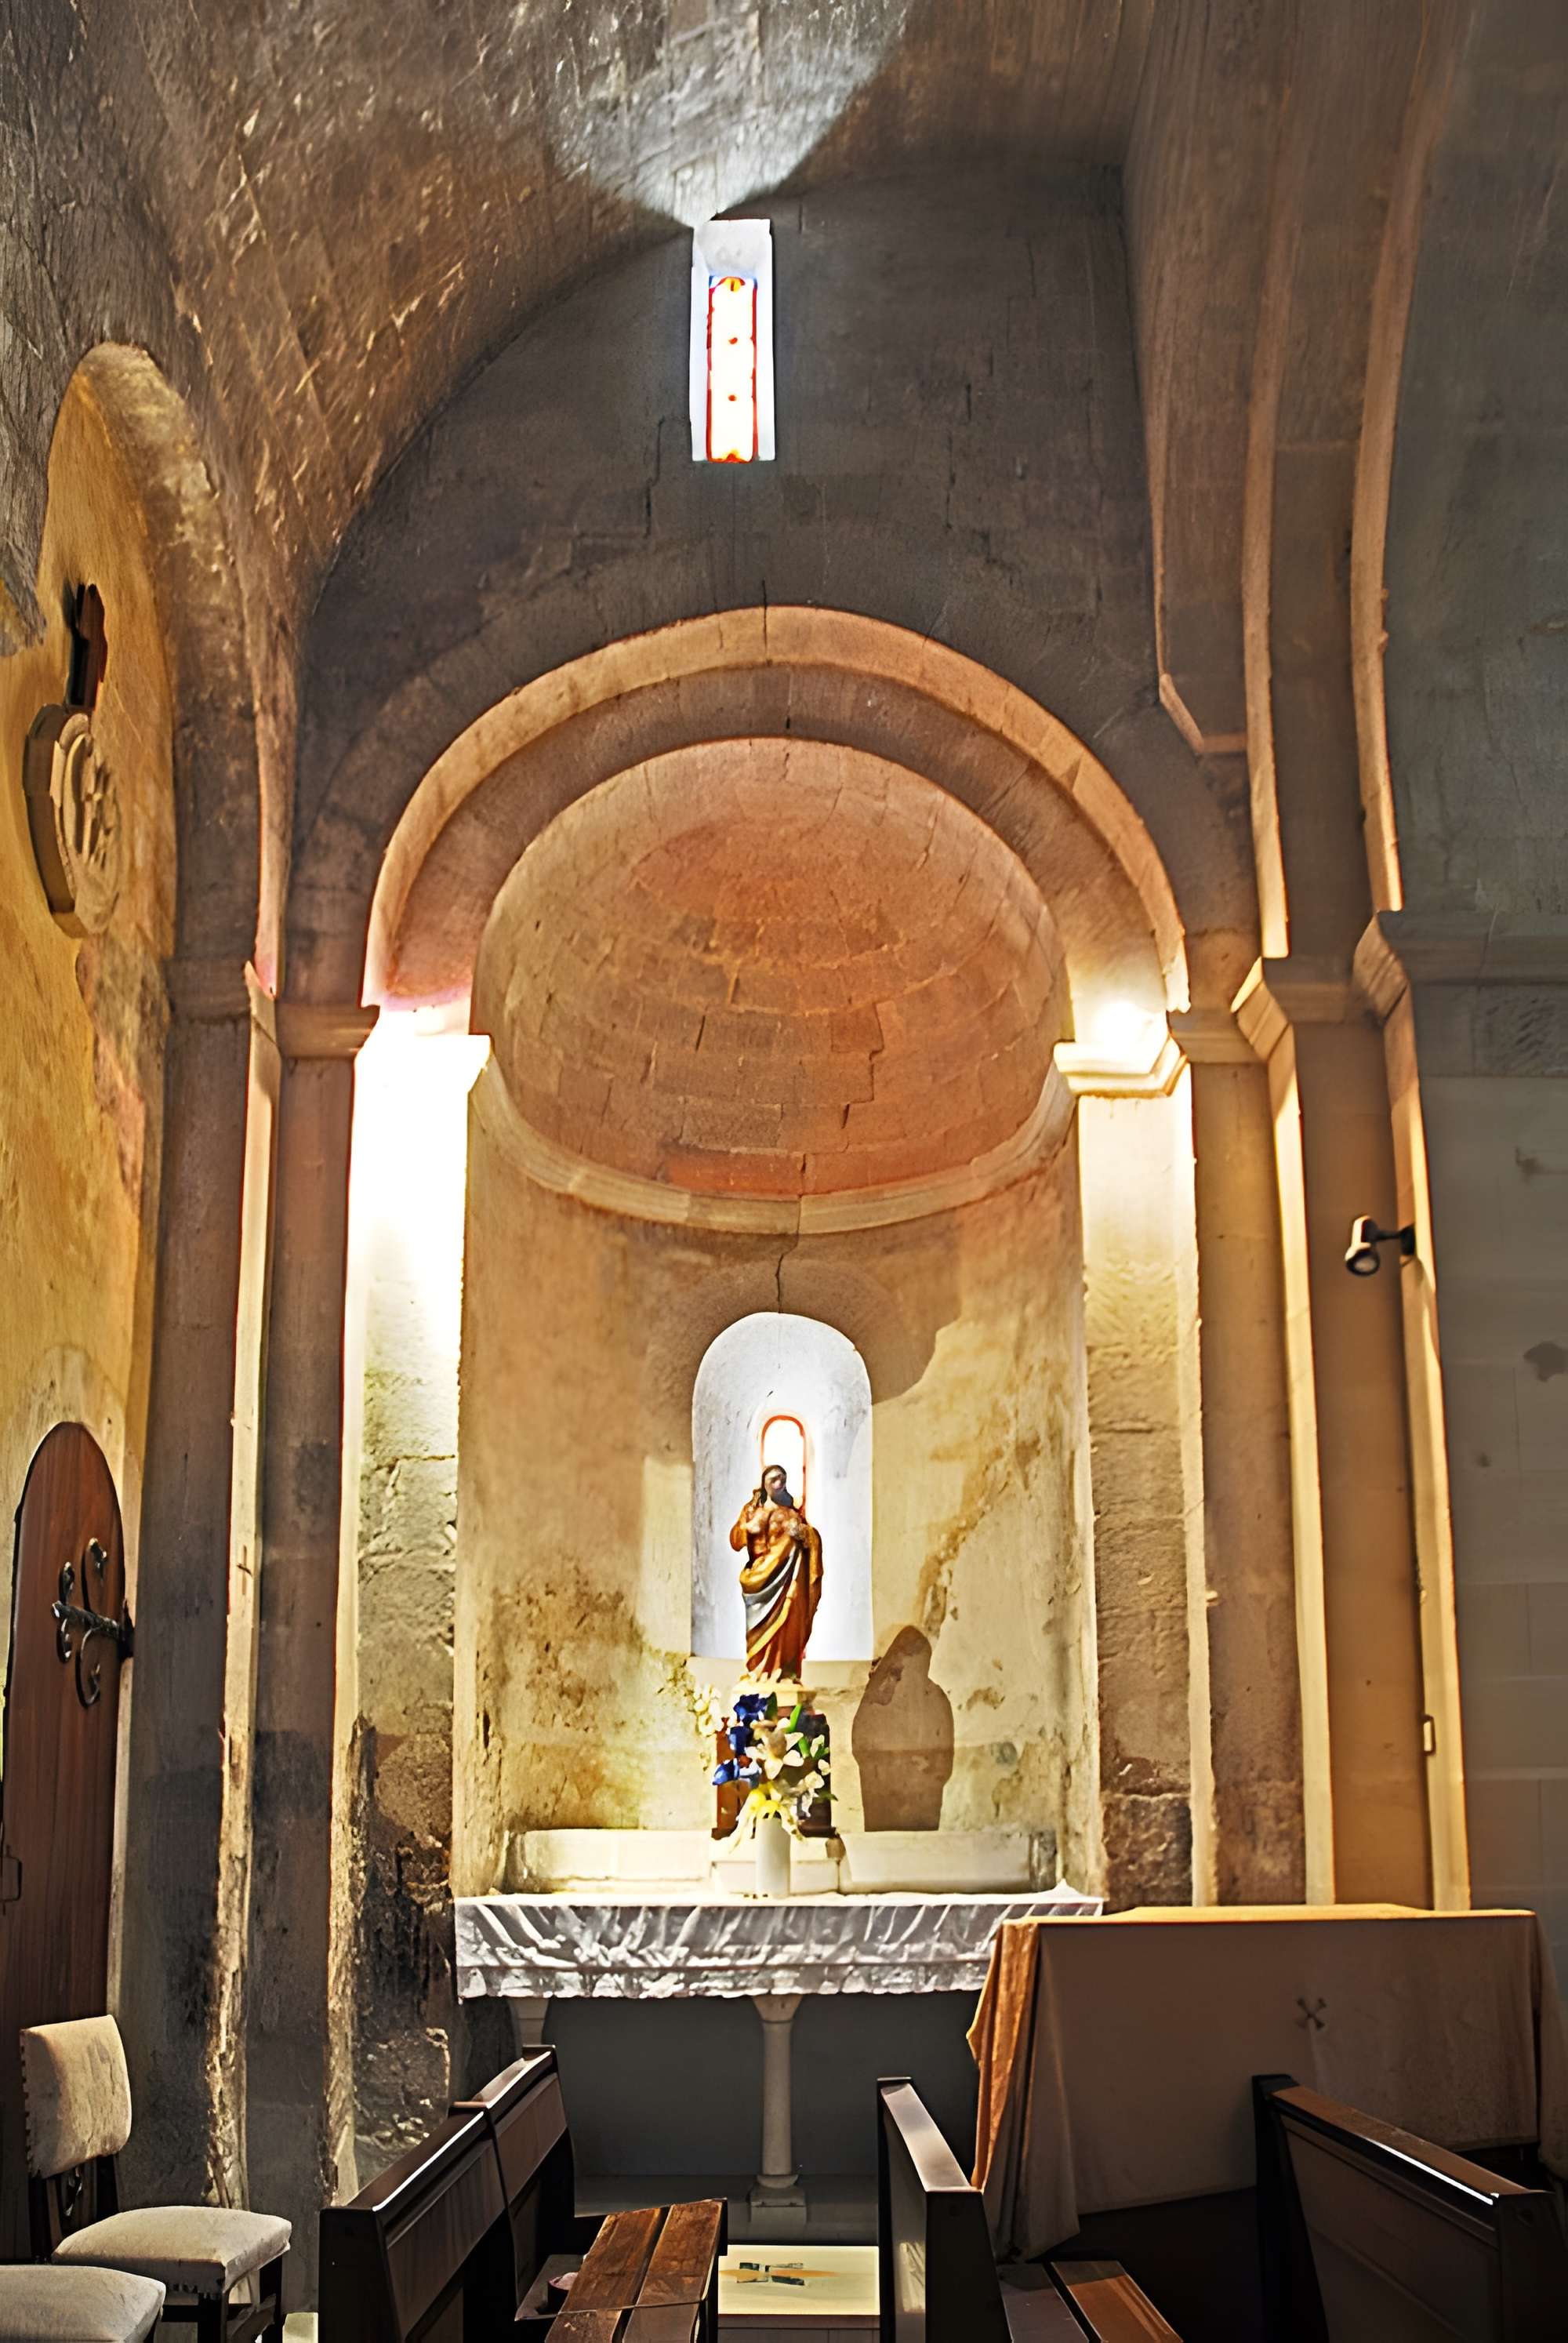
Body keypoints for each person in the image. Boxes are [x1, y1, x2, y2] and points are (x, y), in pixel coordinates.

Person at [730, 1462, 823, 1680]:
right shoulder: (753, 1510)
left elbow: (811, 1540)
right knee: (758, 1633)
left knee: (790, 1622)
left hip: (790, 1583)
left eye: (782, 1478)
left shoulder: (792, 1513)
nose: (779, 1483)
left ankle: (786, 1673)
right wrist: (746, 1526)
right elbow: (735, 1542)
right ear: (764, 1484)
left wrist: (803, 1534)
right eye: (774, 1479)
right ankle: (757, 1673)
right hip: (760, 1583)